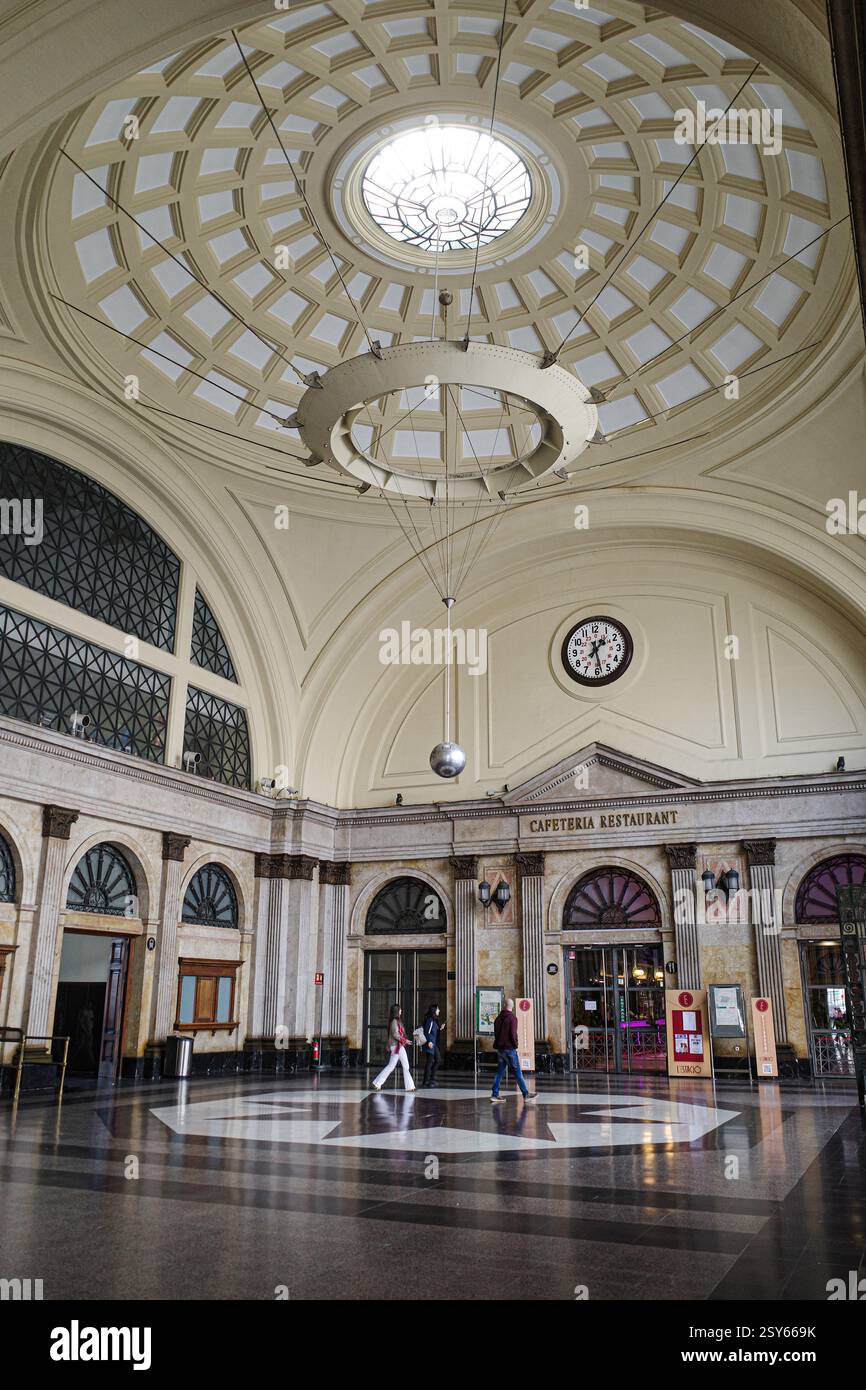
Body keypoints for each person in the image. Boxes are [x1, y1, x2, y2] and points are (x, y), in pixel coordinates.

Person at [491, 997, 534, 1102]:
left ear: (503, 1006)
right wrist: (516, 1045)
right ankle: (526, 1094)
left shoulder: (497, 1019)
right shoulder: (512, 1018)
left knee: (499, 1073)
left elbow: (496, 1034)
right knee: (518, 1072)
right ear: (512, 1007)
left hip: (500, 1050)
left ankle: (494, 1094)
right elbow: (513, 1034)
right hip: (510, 1049)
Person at [372, 1004, 415, 1092]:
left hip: (397, 1046)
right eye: (400, 1009)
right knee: (405, 1065)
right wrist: (405, 1040)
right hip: (397, 1046)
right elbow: (395, 1034)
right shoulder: (395, 1021)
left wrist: (406, 1040)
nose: (401, 1011)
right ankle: (410, 1087)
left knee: (391, 1066)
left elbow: (398, 1034)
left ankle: (377, 1083)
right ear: (397, 1011)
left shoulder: (395, 1021)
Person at [420, 1003, 442, 1088]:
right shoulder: (430, 1020)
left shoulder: (433, 1020)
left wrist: (440, 1028)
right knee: (429, 1062)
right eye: (438, 1009)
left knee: (438, 1060)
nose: (439, 1010)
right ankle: (426, 1081)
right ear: (434, 1010)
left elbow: (433, 1030)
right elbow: (427, 1032)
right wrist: (429, 1041)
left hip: (433, 1044)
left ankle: (431, 1079)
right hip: (430, 1044)